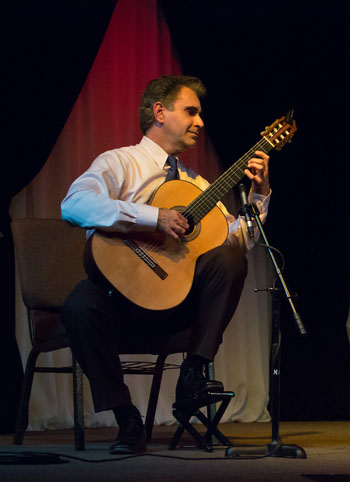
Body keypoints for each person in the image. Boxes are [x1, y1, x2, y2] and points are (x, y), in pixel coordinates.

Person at [60, 75, 271, 454]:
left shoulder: (198, 186)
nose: (201, 122)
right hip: (119, 302)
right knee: (79, 305)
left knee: (228, 256)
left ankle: (193, 372)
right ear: (160, 112)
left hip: (175, 308)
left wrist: (259, 194)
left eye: (201, 114)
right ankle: (126, 420)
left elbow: (241, 240)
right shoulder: (119, 162)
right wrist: (151, 218)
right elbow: (73, 206)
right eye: (191, 111)